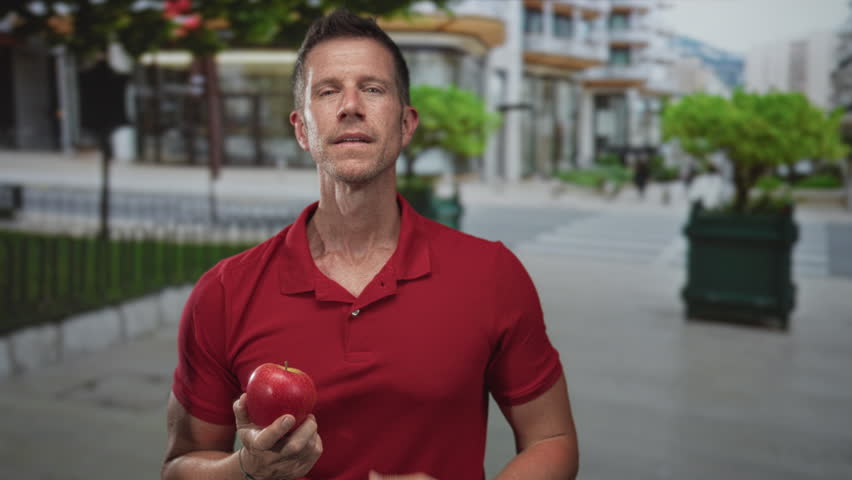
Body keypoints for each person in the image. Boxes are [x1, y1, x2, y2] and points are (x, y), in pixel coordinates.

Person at [161, 9, 578, 480]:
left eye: (373, 88)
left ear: (405, 123)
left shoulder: (492, 274)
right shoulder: (224, 292)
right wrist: (246, 468)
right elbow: (179, 465)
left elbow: (553, 440)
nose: (351, 105)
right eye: (328, 90)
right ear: (301, 129)